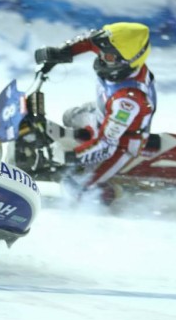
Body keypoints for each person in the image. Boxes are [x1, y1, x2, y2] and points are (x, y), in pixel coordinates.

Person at [34, 22, 156, 204]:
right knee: (69, 116)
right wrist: (61, 52)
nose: (101, 58)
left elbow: (107, 144)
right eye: (101, 53)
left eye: (107, 56)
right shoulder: (118, 54)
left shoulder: (127, 101)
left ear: (127, 62)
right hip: (101, 115)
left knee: (78, 189)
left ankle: (115, 197)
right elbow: (90, 41)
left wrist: (70, 157)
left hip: (122, 142)